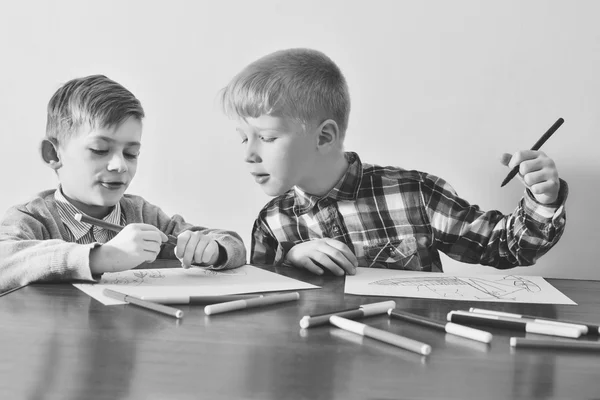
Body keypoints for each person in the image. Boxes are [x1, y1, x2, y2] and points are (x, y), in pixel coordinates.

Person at [219, 48, 567, 276]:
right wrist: (290, 261)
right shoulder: (272, 222)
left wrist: (543, 201)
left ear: (324, 137)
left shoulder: (415, 193)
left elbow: (504, 249)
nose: (249, 154)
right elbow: (263, 305)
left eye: (266, 138)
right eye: (243, 138)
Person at [0, 75, 246, 291]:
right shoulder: (32, 218)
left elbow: (233, 245)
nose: (120, 165)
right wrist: (101, 257)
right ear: (53, 155)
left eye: (131, 154)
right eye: (100, 149)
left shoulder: (143, 215)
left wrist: (213, 249)